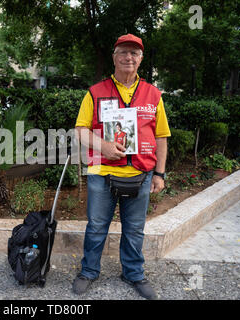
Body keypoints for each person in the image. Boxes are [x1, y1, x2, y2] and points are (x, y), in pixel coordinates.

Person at [73, 34, 171, 299]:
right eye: (124, 52)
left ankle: (133, 273)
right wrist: (101, 146)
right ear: (114, 57)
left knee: (135, 229)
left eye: (135, 53)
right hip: (102, 172)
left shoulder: (153, 94)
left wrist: (160, 174)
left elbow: (161, 136)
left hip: (141, 172)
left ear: (141, 59)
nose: (129, 57)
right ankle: (89, 271)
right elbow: (79, 130)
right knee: (96, 226)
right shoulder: (95, 92)